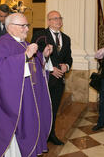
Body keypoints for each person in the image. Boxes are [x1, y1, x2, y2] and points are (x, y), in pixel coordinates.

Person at [0, 13, 53, 157]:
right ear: (11, 27)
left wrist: (43, 55)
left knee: (30, 125)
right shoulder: (3, 43)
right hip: (17, 98)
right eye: (23, 26)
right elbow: (0, 67)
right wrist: (24, 56)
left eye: (27, 25)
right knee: (19, 127)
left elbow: (35, 62)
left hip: (29, 95)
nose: (27, 29)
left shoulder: (24, 43)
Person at [31, 10, 73, 145]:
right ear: (48, 21)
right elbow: (34, 56)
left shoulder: (66, 38)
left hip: (59, 81)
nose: (58, 21)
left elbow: (69, 58)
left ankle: (51, 134)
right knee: (41, 109)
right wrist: (50, 68)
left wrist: (67, 65)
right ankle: (39, 137)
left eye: (60, 18)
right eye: (54, 18)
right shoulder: (39, 35)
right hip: (44, 80)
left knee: (54, 109)